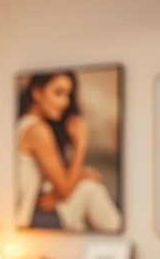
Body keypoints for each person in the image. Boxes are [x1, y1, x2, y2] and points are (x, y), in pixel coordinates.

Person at [15, 71, 122, 232]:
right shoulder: (37, 130)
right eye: (58, 93)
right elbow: (65, 188)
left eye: (68, 95)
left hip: (33, 213)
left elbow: (57, 185)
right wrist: (81, 143)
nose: (65, 102)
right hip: (30, 218)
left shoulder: (23, 124)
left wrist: (76, 178)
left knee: (81, 218)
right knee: (91, 190)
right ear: (37, 92)